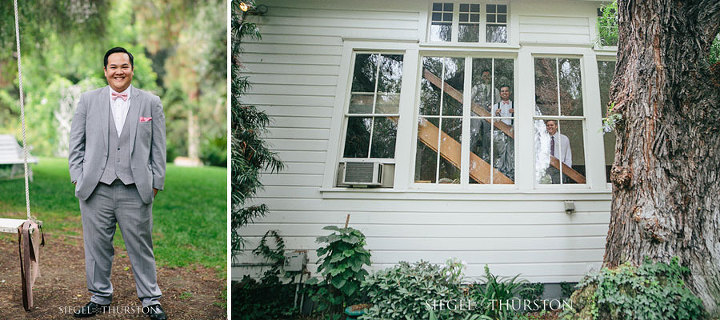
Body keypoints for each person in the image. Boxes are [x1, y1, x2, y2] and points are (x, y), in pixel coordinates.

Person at [68, 47, 167, 320]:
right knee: (97, 246)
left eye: (124, 66)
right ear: (105, 71)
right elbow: (76, 144)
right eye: (113, 67)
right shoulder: (88, 101)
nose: (118, 71)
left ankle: (151, 299)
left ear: (132, 69)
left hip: (135, 188)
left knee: (141, 246)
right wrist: (78, 176)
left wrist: (156, 182)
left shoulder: (150, 102)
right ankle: (99, 297)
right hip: (95, 188)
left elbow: (158, 148)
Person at [491, 85, 514, 180]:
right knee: (501, 153)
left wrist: (515, 112)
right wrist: (496, 114)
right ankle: (500, 173)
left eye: (506, 91)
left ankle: (511, 174)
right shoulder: (496, 106)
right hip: (500, 133)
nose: (504, 93)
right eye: (502, 91)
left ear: (510, 93)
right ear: (500, 93)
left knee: (510, 153)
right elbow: (491, 121)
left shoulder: (515, 105)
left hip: (512, 132)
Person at [545, 120, 571, 184]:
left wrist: (568, 172)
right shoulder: (543, 139)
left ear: (556, 126)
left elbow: (568, 156)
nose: (549, 127)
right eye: (548, 125)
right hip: (546, 168)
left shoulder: (564, 139)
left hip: (560, 169)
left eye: (551, 125)